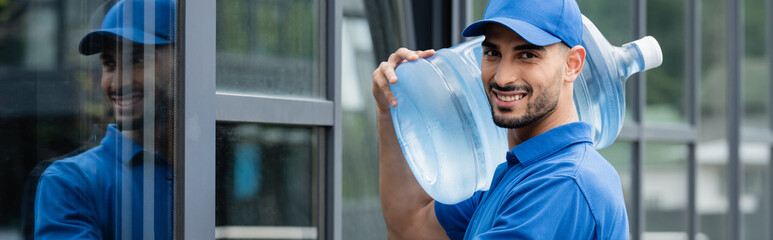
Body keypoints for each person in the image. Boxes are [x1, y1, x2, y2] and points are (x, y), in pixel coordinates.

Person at [372, 0, 629, 239]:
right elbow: (408, 226)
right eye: (493, 53)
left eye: (527, 55)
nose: (503, 77)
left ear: (572, 64)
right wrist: (390, 107)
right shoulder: (518, 173)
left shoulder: (563, 183)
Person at [33, 0, 176, 239]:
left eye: (138, 60)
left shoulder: (206, 166)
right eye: (110, 64)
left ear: (183, 63)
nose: (118, 83)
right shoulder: (70, 182)